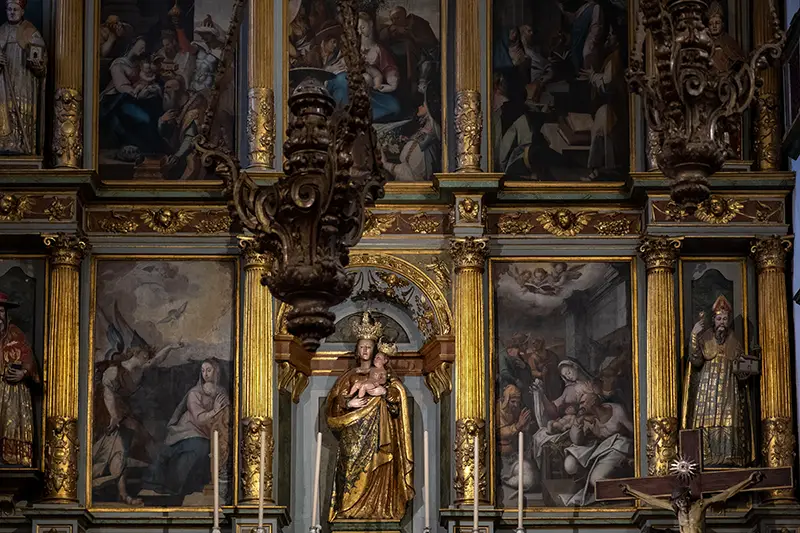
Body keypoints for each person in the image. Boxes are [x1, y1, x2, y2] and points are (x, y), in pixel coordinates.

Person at [326, 311, 414, 520]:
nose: (365, 350)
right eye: (361, 347)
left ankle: (379, 509)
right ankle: (348, 512)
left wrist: (386, 393)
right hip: (353, 434)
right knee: (350, 473)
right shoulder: (349, 376)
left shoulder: (386, 377)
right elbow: (334, 402)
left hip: (380, 433)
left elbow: (397, 401)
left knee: (380, 466)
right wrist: (350, 403)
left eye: (369, 347)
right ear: (357, 350)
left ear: (375, 351)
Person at [139, 359, 231, 501]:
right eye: (203, 370)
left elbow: (226, 412)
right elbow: (199, 418)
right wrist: (215, 411)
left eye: (209, 370)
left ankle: (198, 485)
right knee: (199, 448)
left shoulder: (221, 391)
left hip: (211, 432)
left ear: (216, 372)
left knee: (216, 448)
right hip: (188, 431)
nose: (205, 374)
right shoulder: (194, 393)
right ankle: (174, 486)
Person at [682, 295, 751, 467]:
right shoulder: (705, 337)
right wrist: (693, 335)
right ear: (714, 320)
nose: (722, 322)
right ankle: (706, 456)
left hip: (729, 388)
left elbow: (740, 364)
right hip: (708, 389)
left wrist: (747, 368)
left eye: (725, 319)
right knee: (707, 419)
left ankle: (729, 455)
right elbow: (696, 360)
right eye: (719, 319)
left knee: (729, 418)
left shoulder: (734, 340)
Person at [621, 471, 764, 533]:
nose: (682, 503)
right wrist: (630, 491)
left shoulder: (700, 506)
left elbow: (726, 494)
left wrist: (748, 481)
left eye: (683, 499)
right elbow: (651, 499)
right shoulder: (674, 508)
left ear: (688, 498)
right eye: (679, 501)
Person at [0, 0, 46, 155]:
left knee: (21, 108)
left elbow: (41, 58)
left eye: (15, 9)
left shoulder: (30, 31)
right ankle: (6, 143)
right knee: (5, 109)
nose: (12, 12)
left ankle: (22, 145)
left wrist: (36, 62)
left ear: (22, 11)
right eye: (9, 9)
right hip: (3, 80)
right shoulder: (1, 31)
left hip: (23, 78)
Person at [0, 292, 38, 466]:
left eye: (0, 311)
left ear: (6, 315)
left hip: (12, 392)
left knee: (10, 425)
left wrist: (23, 373)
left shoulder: (16, 335)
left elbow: (29, 358)